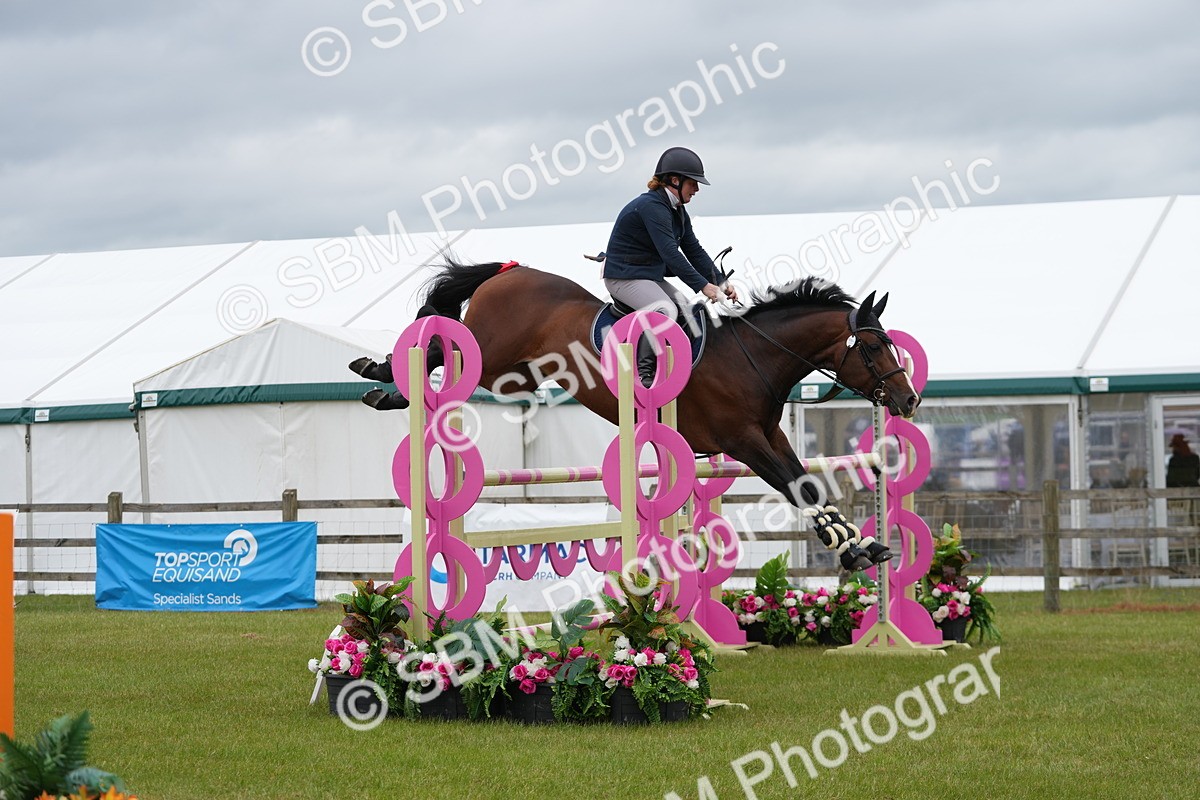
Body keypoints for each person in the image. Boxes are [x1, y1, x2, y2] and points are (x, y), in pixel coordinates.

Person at [602, 146, 737, 386]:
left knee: (684, 308)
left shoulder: (678, 211)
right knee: (664, 311)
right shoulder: (652, 207)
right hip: (622, 276)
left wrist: (721, 281)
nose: (696, 189)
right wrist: (703, 286)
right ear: (675, 180)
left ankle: (675, 365)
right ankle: (644, 375)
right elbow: (671, 254)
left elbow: (694, 250)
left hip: (646, 275)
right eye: (693, 183)